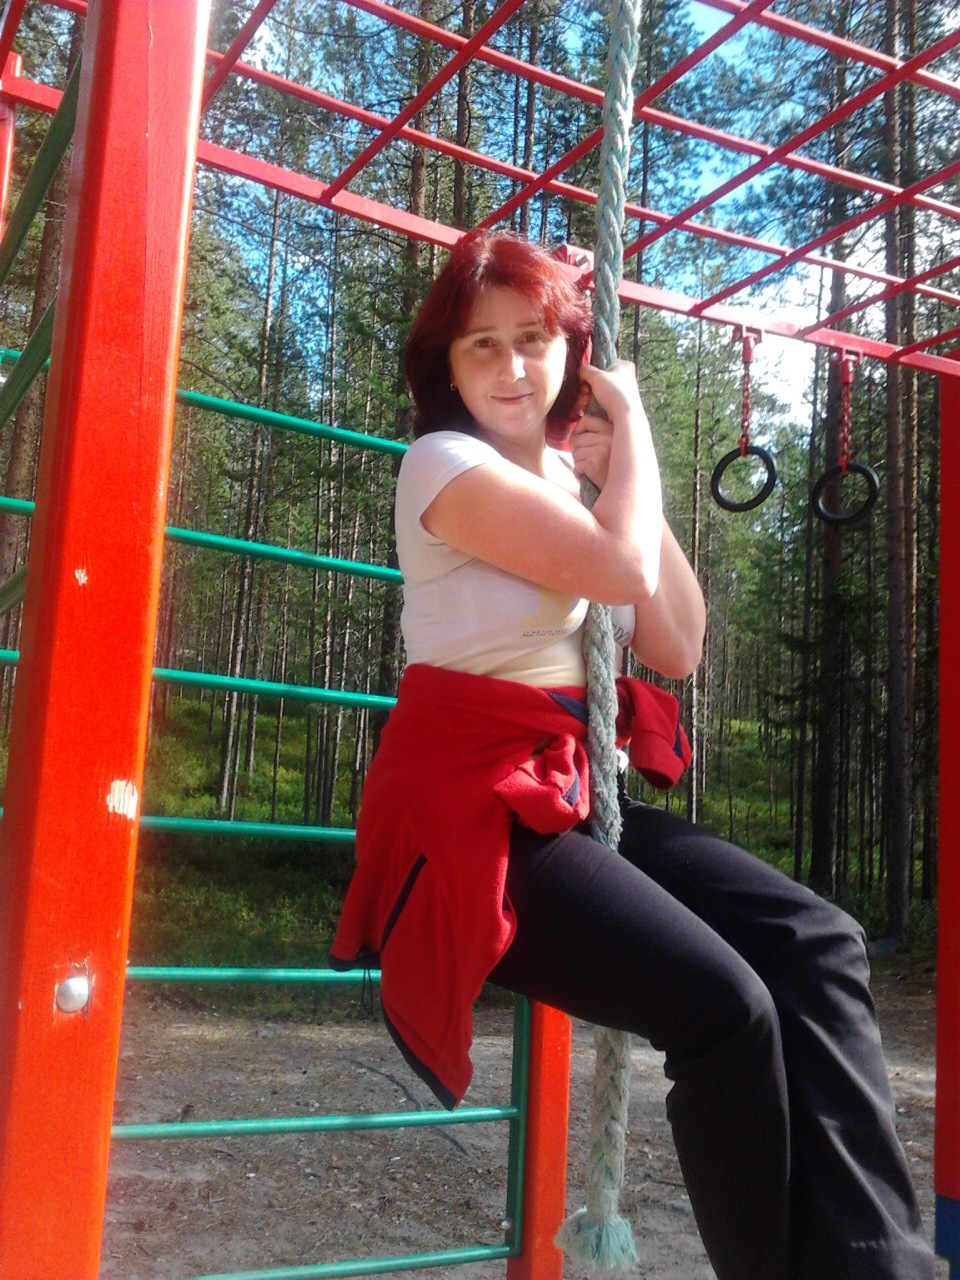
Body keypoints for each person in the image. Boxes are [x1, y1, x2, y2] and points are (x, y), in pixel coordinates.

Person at [330, 230, 935, 1280]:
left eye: (533, 338)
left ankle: (877, 1265)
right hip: (475, 820)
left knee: (819, 941)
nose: (512, 366)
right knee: (725, 1009)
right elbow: (614, 569)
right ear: (447, 368)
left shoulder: (581, 485)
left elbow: (678, 642)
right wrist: (637, 424)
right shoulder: (443, 464)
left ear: (567, 351)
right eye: (483, 346)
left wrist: (613, 466)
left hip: (567, 790)